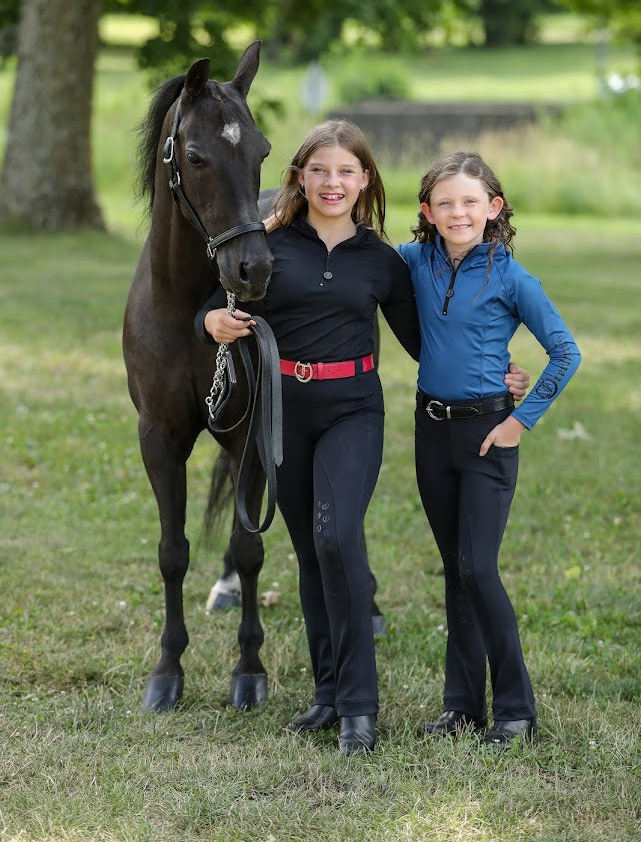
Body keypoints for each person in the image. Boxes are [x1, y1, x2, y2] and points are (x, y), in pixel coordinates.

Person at [195, 123, 529, 754]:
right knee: (310, 551)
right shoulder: (267, 246)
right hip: (282, 412)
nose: (332, 183)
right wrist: (211, 320)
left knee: (338, 536)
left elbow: (430, 343)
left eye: (347, 171)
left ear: (366, 181)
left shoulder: (380, 259)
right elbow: (210, 309)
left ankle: (359, 708)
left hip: (353, 410)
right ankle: (327, 695)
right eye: (319, 170)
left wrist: (496, 372)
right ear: (298, 176)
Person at [397, 150, 581, 750]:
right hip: (431, 432)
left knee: (479, 567)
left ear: (492, 208)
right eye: (444, 203)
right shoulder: (413, 260)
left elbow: (566, 352)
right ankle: (461, 707)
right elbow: (350, 249)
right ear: (427, 211)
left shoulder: (511, 276)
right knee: (456, 572)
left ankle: (516, 710)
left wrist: (519, 421)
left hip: (488, 435)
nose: (457, 212)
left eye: (470, 202)